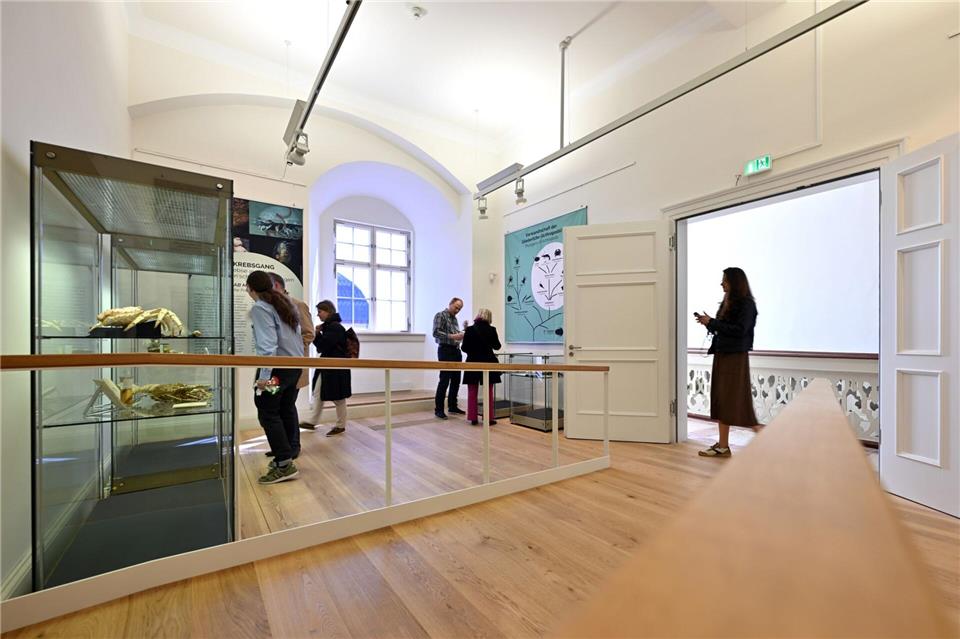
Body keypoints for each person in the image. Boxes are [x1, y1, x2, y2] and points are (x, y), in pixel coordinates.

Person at [695, 266, 759, 458]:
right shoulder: (728, 302)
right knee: (722, 399)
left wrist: (713, 322)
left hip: (735, 357)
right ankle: (723, 446)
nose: (721, 283)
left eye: (725, 279)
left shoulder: (747, 304)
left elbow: (740, 330)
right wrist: (709, 323)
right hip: (723, 354)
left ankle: (765, 439)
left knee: (735, 399)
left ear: (734, 282)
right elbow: (725, 329)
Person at [246, 270, 303, 484]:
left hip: (276, 370)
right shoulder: (285, 304)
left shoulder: (261, 307)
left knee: (267, 411)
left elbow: (267, 347)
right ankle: (286, 455)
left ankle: (284, 465)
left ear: (250, 288)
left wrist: (264, 378)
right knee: (284, 410)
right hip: (293, 368)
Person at [267, 272, 316, 433]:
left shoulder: (298, 305)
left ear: (276, 286)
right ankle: (283, 447)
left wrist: (291, 349)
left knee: (286, 406)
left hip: (293, 366)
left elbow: (309, 333)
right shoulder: (271, 308)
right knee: (274, 406)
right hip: (275, 367)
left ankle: (292, 446)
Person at [301, 300, 352, 436]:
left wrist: (317, 334)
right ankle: (312, 421)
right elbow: (323, 346)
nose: (318, 315)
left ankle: (341, 425)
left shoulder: (334, 327)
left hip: (335, 368)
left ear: (328, 311)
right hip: (329, 367)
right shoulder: (330, 327)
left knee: (338, 398)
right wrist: (318, 334)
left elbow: (323, 346)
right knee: (318, 392)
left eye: (320, 312)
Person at [461, 308, 502, 426]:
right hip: (488, 363)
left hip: (472, 362)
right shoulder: (492, 329)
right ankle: (489, 418)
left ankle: (473, 418)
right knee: (488, 391)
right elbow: (497, 346)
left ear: (478, 316)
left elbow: (464, 348)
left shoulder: (469, 330)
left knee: (472, 390)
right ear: (489, 318)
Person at [432, 297, 466, 419]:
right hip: (445, 350)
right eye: (456, 307)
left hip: (456, 351)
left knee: (456, 380)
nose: (458, 310)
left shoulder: (455, 319)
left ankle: (452, 406)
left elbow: (454, 334)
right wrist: (453, 336)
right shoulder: (440, 315)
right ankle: (439, 409)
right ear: (450, 304)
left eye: (460, 308)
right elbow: (436, 333)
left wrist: (462, 333)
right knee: (444, 380)